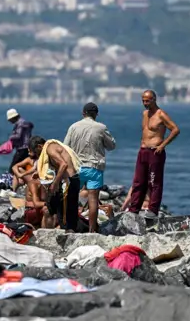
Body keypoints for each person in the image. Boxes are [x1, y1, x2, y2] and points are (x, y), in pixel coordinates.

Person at [125, 90, 180, 219]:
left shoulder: (161, 114)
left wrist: (162, 145)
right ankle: (134, 209)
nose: (145, 103)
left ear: (154, 99)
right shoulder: (145, 114)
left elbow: (175, 130)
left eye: (148, 100)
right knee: (138, 182)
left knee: (154, 182)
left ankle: (153, 210)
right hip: (143, 151)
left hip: (155, 152)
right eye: (143, 100)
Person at [63, 102, 116, 234]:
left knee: (72, 198)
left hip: (76, 168)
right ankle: (92, 230)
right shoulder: (101, 128)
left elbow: (65, 147)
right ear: (96, 114)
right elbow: (111, 146)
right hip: (94, 167)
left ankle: (70, 227)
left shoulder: (73, 127)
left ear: (83, 113)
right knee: (93, 199)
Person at [28, 135, 81, 232]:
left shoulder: (49, 148)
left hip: (68, 182)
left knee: (66, 216)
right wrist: (39, 173)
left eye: (36, 152)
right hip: (69, 181)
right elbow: (56, 166)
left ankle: (67, 235)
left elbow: (63, 165)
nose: (37, 155)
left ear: (40, 146)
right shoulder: (51, 147)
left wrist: (55, 183)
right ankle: (48, 233)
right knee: (52, 208)